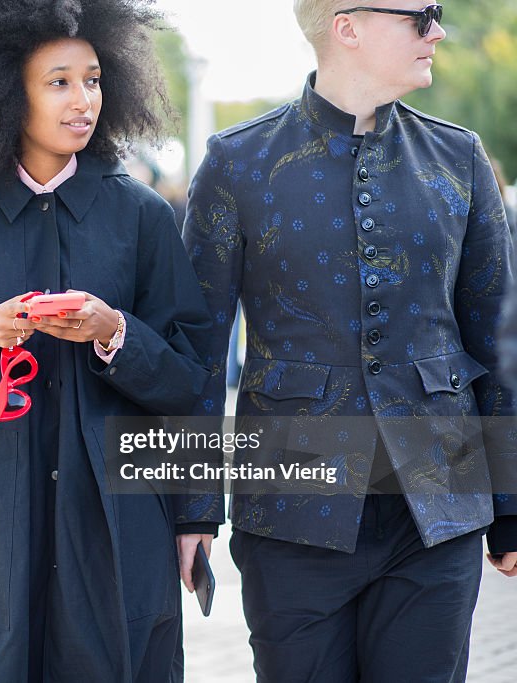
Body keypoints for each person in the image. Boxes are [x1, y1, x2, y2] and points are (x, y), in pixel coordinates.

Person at [0, 1, 219, 680]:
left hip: (113, 526)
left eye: (92, 79)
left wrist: (113, 332)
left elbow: (190, 378)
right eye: (58, 81)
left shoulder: (141, 215)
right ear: (2, 88)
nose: (83, 99)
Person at [182, 1, 517, 680]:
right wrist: (194, 511)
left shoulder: (459, 159)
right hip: (289, 517)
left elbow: (498, 335)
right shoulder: (237, 163)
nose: (438, 31)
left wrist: (510, 501)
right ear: (348, 26)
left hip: (437, 514)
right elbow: (198, 348)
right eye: (422, 15)